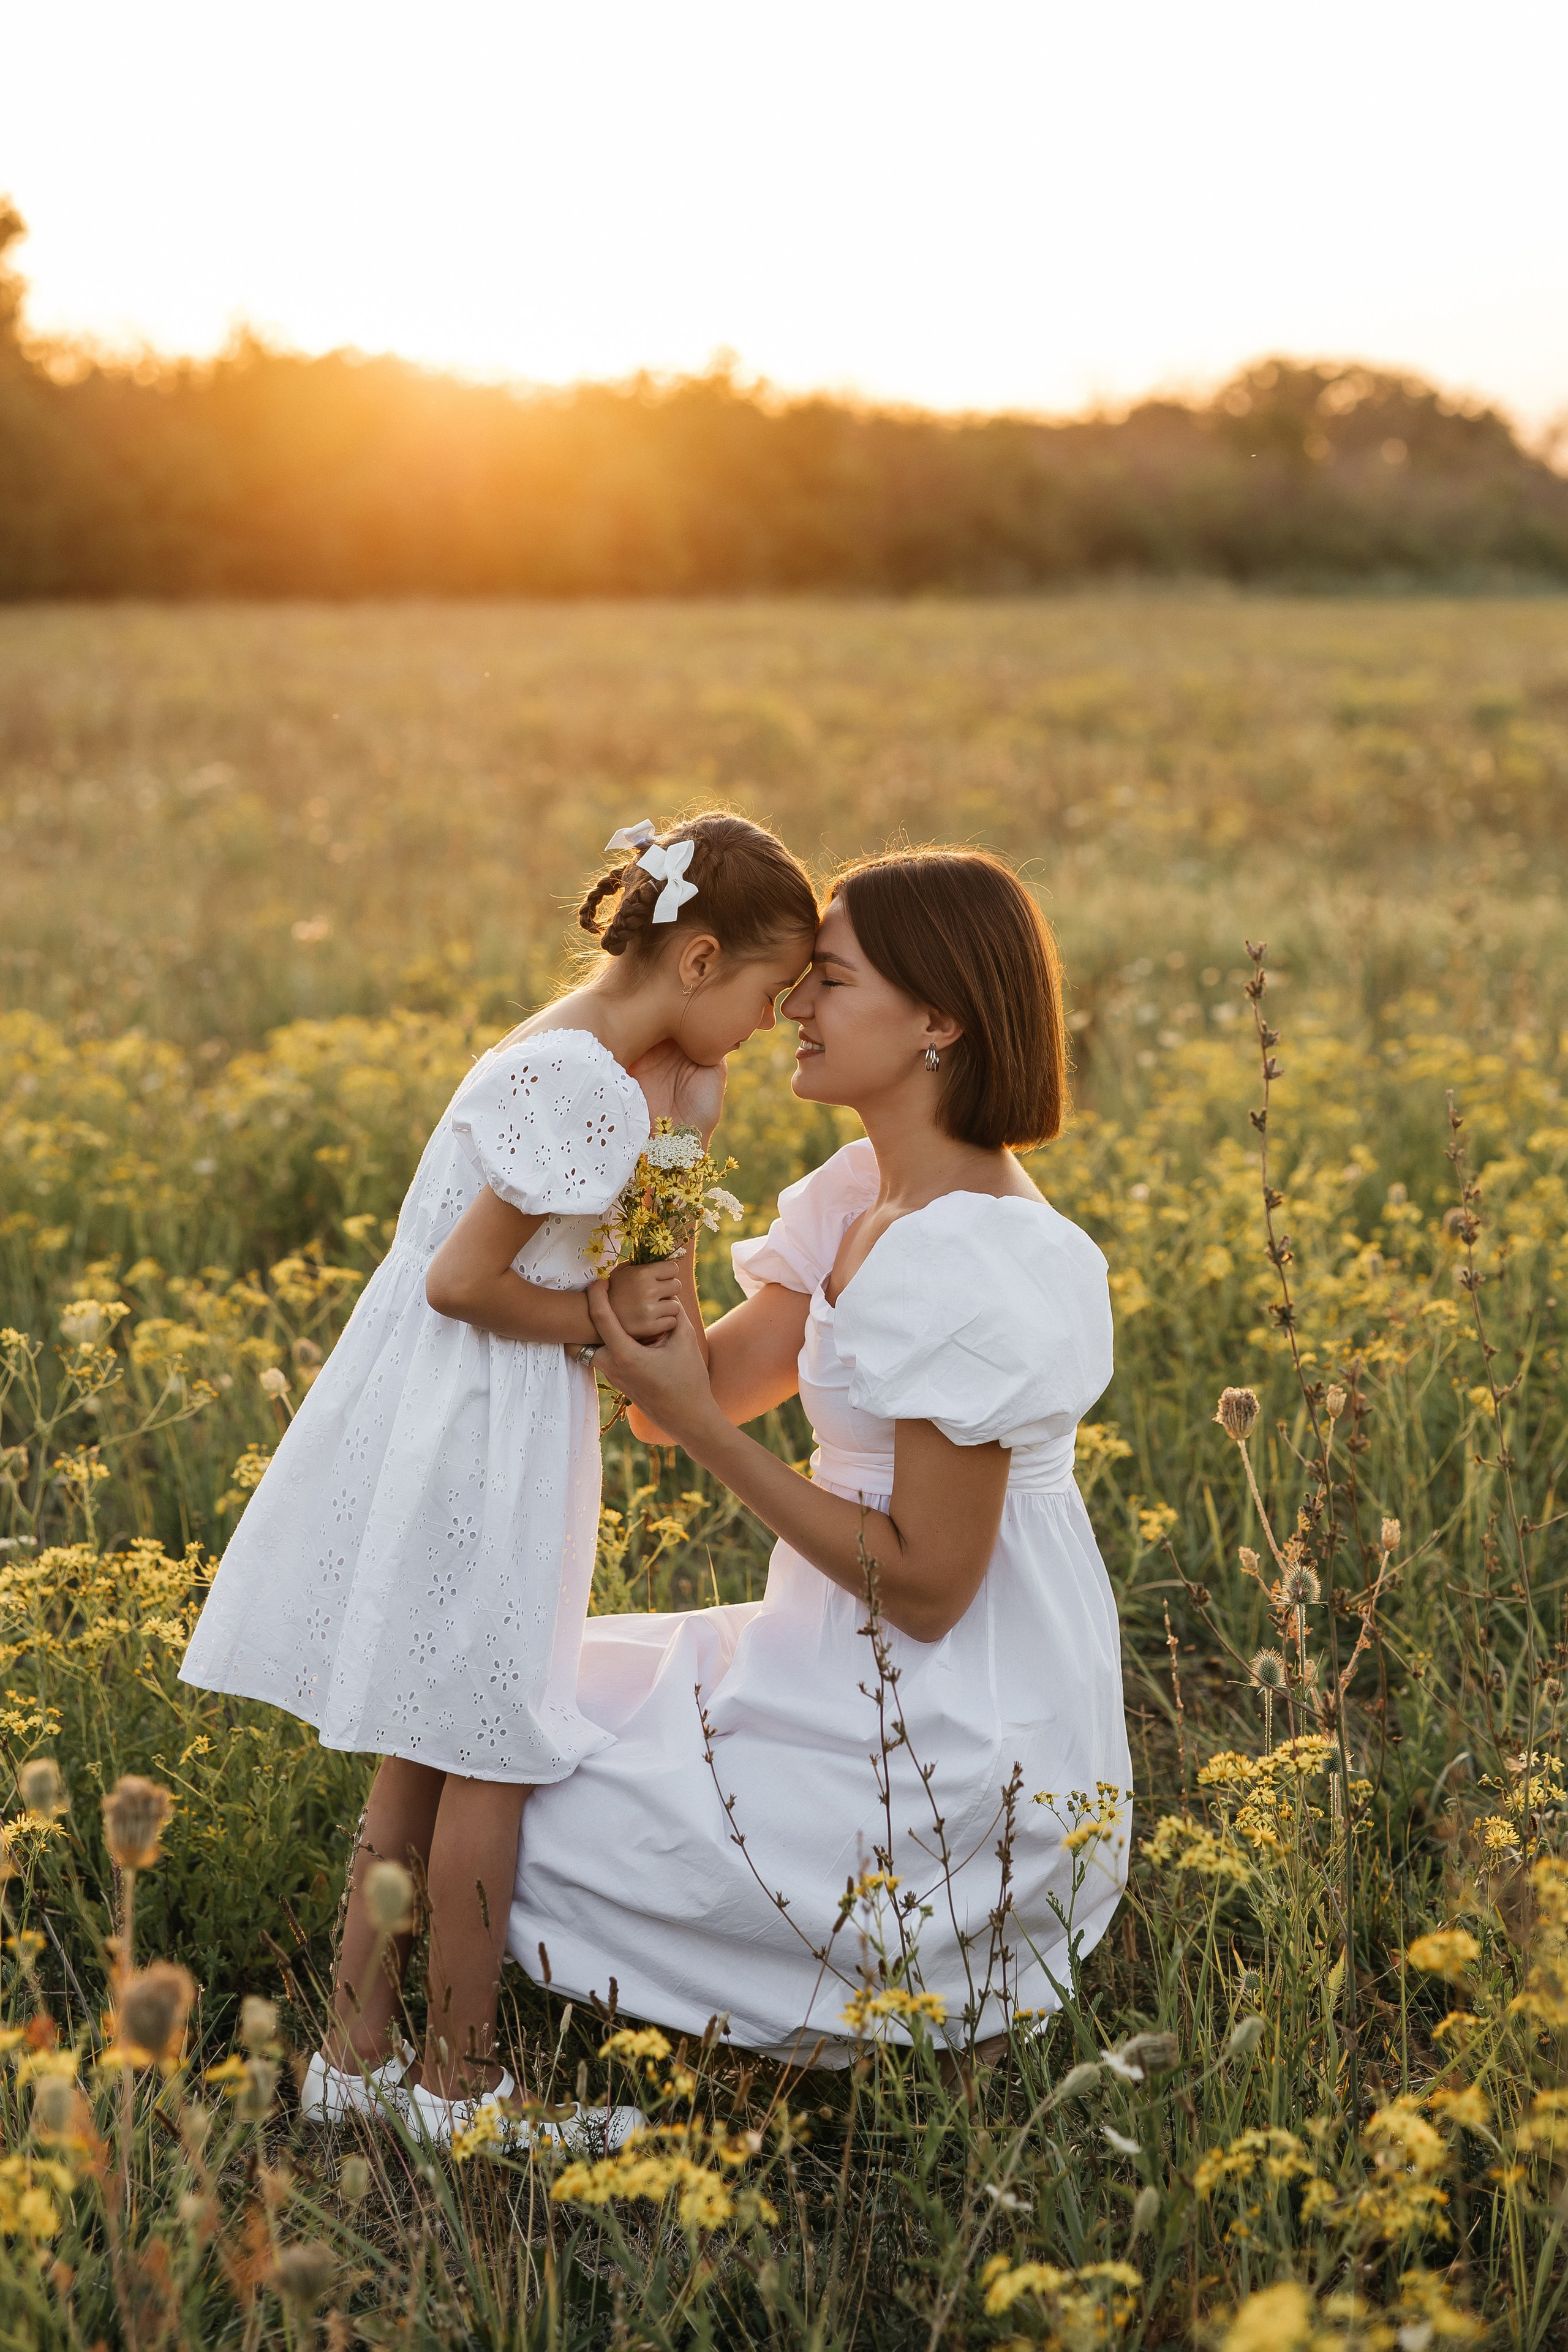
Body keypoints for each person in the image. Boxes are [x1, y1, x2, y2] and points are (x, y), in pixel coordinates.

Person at [180, 812, 818, 2139]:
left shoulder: (581, 1049)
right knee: (491, 1746)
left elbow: (639, 1259)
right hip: (487, 1421)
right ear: (699, 959)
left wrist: (691, 1120)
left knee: (427, 1739)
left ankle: (354, 2057)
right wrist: (598, 1328)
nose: (771, 1025)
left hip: (463, 1416)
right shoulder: (583, 1079)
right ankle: (460, 2082)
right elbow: (467, 1284)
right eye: (768, 995)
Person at [507, 849, 1132, 2066]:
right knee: (502, 1708)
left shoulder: (972, 1259)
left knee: (519, 1794)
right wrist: (674, 1148)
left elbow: (929, 1586)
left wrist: (692, 1420)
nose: (790, 1006)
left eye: (829, 981)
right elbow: (681, 1382)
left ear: (938, 1020)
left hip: (952, 1740)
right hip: (821, 1670)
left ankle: (928, 1979)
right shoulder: (861, 1194)